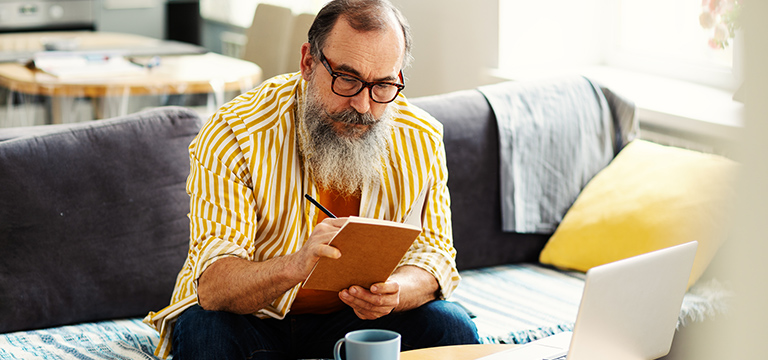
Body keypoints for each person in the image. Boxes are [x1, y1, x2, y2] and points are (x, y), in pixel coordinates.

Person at [143, 0, 479, 358]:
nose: (364, 106)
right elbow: (214, 286)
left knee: (451, 324)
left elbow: (436, 256)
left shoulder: (420, 137)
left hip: (352, 321)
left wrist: (395, 291)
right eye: (347, 79)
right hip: (253, 319)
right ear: (307, 62)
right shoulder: (234, 133)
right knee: (204, 329)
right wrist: (296, 265)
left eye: (382, 85)